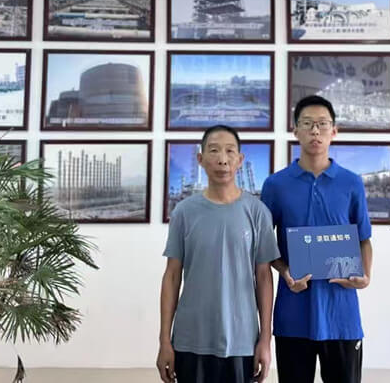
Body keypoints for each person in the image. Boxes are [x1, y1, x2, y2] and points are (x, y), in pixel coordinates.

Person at [260, 95, 373, 383]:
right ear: (295, 130)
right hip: (293, 312)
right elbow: (263, 244)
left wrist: (366, 276)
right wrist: (285, 271)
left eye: (322, 124)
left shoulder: (351, 182)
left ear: (334, 131)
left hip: (342, 315)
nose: (315, 131)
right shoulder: (276, 185)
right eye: (307, 124)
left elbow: (363, 239)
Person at [157, 125, 280, 383]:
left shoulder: (257, 212)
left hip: (242, 341)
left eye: (229, 151)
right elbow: (172, 276)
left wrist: (265, 340)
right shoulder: (184, 212)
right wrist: (164, 340)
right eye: (213, 150)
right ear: (200, 159)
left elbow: (264, 278)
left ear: (240, 159)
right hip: (191, 339)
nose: (222, 159)